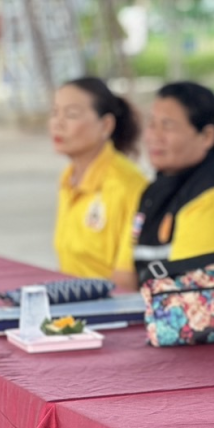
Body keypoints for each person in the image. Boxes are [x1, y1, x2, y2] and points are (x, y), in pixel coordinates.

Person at [113, 81, 214, 289]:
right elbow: (123, 279)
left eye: (167, 125)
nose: (155, 136)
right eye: (152, 124)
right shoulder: (153, 192)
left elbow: (183, 294)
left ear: (207, 136)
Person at [51, 77, 147, 279]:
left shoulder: (128, 185)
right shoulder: (68, 178)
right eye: (55, 112)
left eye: (71, 114)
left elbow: (126, 279)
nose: (57, 123)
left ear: (105, 125)